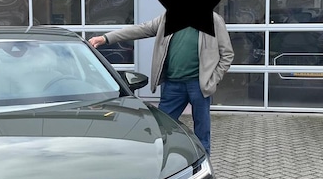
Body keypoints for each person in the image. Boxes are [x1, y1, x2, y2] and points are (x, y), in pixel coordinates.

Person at [89, 13, 234, 154]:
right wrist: (105, 38)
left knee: (202, 132)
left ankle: (203, 162)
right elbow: (140, 29)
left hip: (199, 85)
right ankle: (164, 161)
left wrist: (212, 80)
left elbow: (227, 54)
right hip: (173, 85)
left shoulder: (213, 20)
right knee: (162, 128)